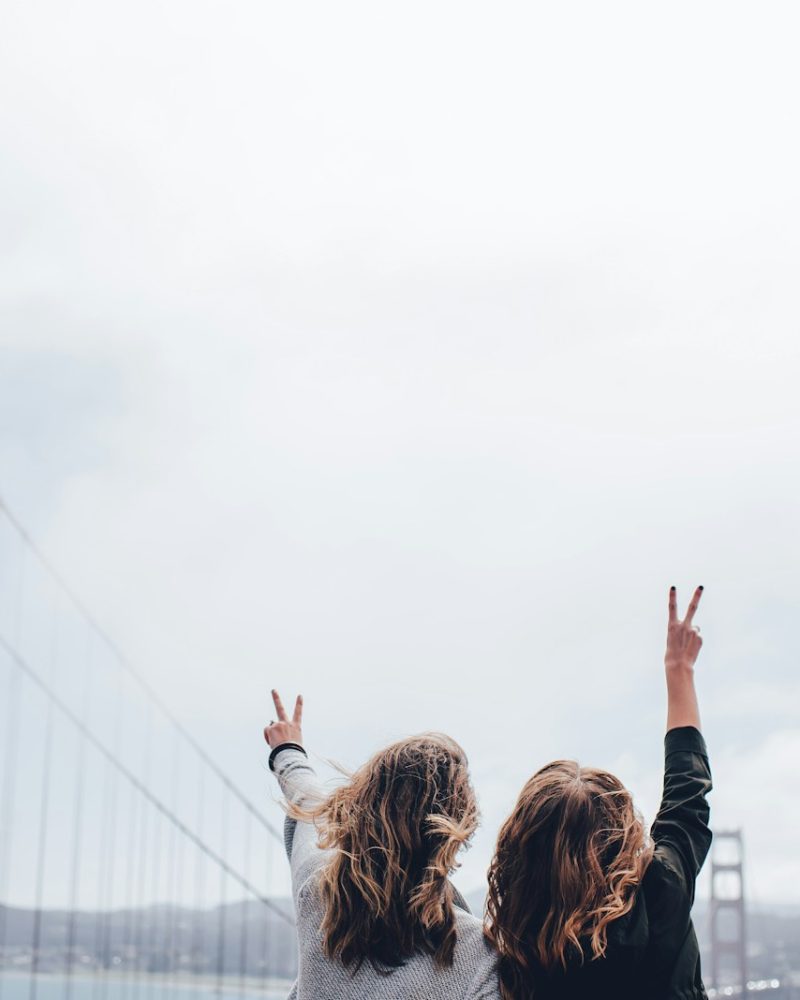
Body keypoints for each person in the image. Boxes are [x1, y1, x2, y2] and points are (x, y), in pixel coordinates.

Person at [484, 585, 713, 1000]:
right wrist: (679, 669)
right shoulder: (662, 891)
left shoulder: (517, 946)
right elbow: (687, 798)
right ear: (622, 834)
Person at [264, 691, 500, 999]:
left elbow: (307, 798)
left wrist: (287, 749)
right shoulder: (481, 958)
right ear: (457, 831)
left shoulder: (316, 887)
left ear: (360, 806)